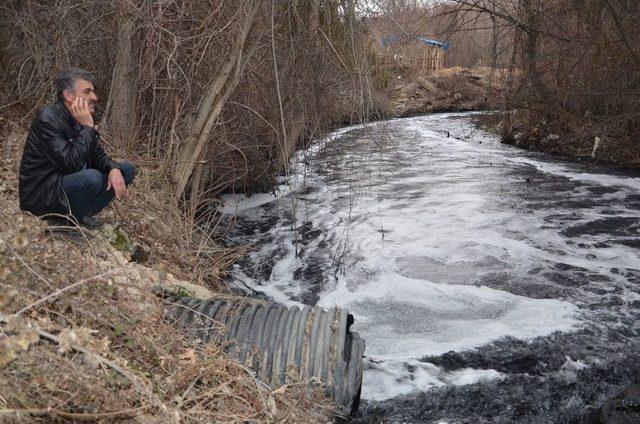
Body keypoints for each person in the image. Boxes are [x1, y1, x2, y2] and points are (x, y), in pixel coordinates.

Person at [19, 68, 135, 229]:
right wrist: (88, 127)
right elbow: (69, 163)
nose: (94, 97)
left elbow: (97, 155)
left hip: (65, 186)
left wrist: (113, 168)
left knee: (126, 170)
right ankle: (62, 223)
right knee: (91, 177)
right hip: (42, 195)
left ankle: (80, 215)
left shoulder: (78, 118)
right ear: (68, 95)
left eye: (93, 92)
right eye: (87, 92)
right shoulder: (48, 119)